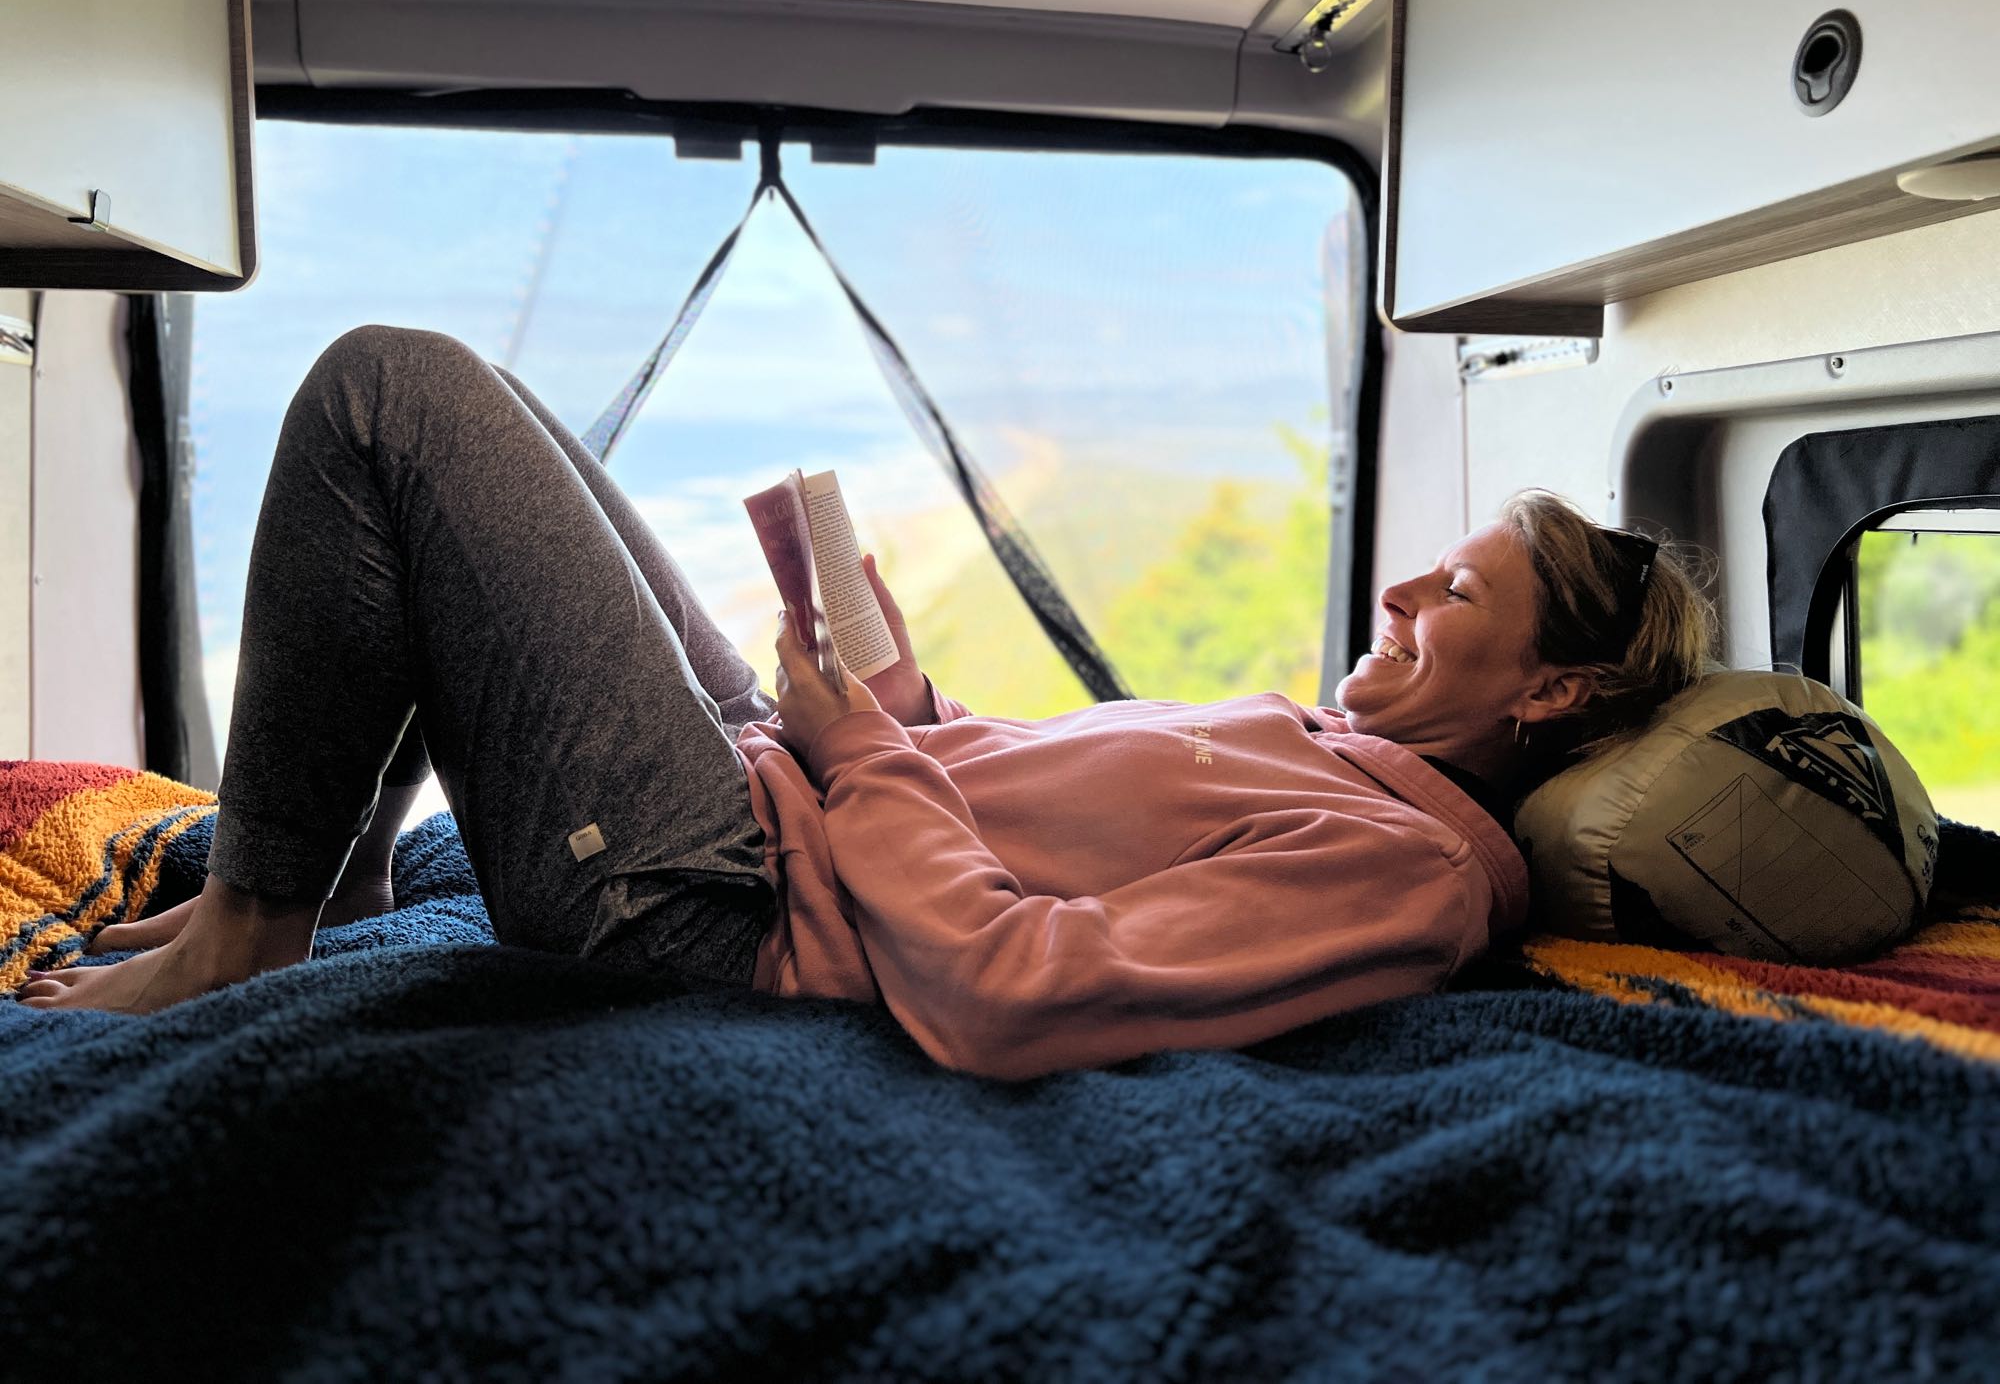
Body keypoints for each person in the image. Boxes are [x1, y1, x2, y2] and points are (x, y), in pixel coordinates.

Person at [18, 326, 1717, 1078]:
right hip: (789, 805)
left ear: (1555, 690)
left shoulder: (1407, 872)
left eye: (1457, 595)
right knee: (496, 422)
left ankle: (254, 924)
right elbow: (1034, 827)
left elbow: (1016, 990)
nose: (1403, 593)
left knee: (391, 394)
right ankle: (331, 886)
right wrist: (901, 701)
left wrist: (862, 756)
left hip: (720, 898)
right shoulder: (1334, 755)